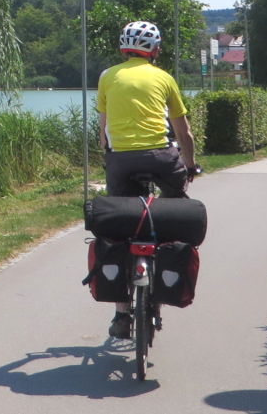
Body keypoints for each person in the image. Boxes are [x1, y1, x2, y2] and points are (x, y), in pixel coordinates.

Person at [96, 20, 198, 339]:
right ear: (154, 49)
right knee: (173, 214)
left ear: (123, 48)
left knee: (120, 227)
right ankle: (166, 272)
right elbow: (184, 132)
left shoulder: (108, 77)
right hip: (162, 158)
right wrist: (191, 165)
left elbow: (103, 130)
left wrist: (110, 157)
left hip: (121, 161)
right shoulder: (164, 78)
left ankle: (122, 314)